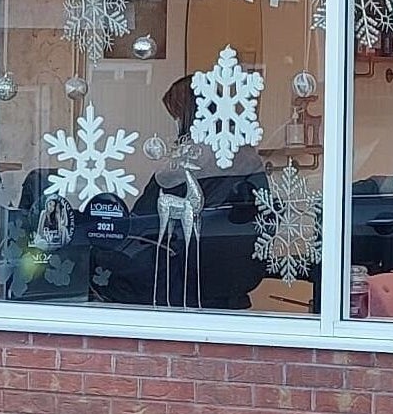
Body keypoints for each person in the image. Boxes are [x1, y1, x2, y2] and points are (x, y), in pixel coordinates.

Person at [92, 74, 269, 309]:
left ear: (190, 118)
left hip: (181, 279)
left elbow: (143, 220)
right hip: (231, 280)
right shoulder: (246, 158)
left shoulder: (189, 162)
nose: (174, 125)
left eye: (176, 117)